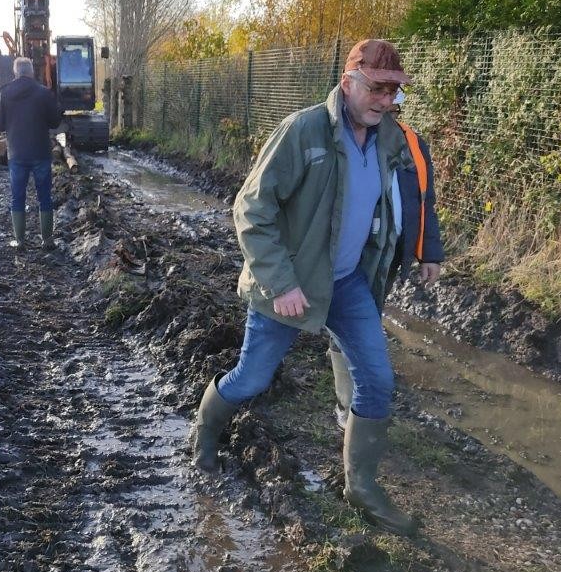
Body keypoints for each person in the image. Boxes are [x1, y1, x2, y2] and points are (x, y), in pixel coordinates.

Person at [190, 39, 419, 535]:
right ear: (348, 82)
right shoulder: (305, 130)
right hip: (291, 284)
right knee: (251, 378)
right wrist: (280, 282)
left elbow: (412, 193)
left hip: (348, 282)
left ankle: (361, 486)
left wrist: (424, 248)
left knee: (377, 381)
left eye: (393, 92)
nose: (386, 100)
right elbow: (251, 209)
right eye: (377, 88)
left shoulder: (389, 137)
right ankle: (205, 433)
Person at [329, 89, 444, 429]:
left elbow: (424, 200)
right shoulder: (351, 138)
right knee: (348, 323)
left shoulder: (412, 143)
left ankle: (361, 392)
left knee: (368, 317)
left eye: (393, 100)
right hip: (359, 247)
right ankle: (346, 402)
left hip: (390, 252)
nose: (386, 106)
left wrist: (428, 252)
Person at [0, 57, 64, 249]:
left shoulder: (5, 93)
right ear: (31, 72)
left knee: (17, 196)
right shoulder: (43, 93)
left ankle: (20, 240)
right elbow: (54, 122)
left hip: (16, 153)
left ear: (15, 72)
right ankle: (47, 240)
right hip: (40, 152)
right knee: (45, 196)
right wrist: (59, 108)